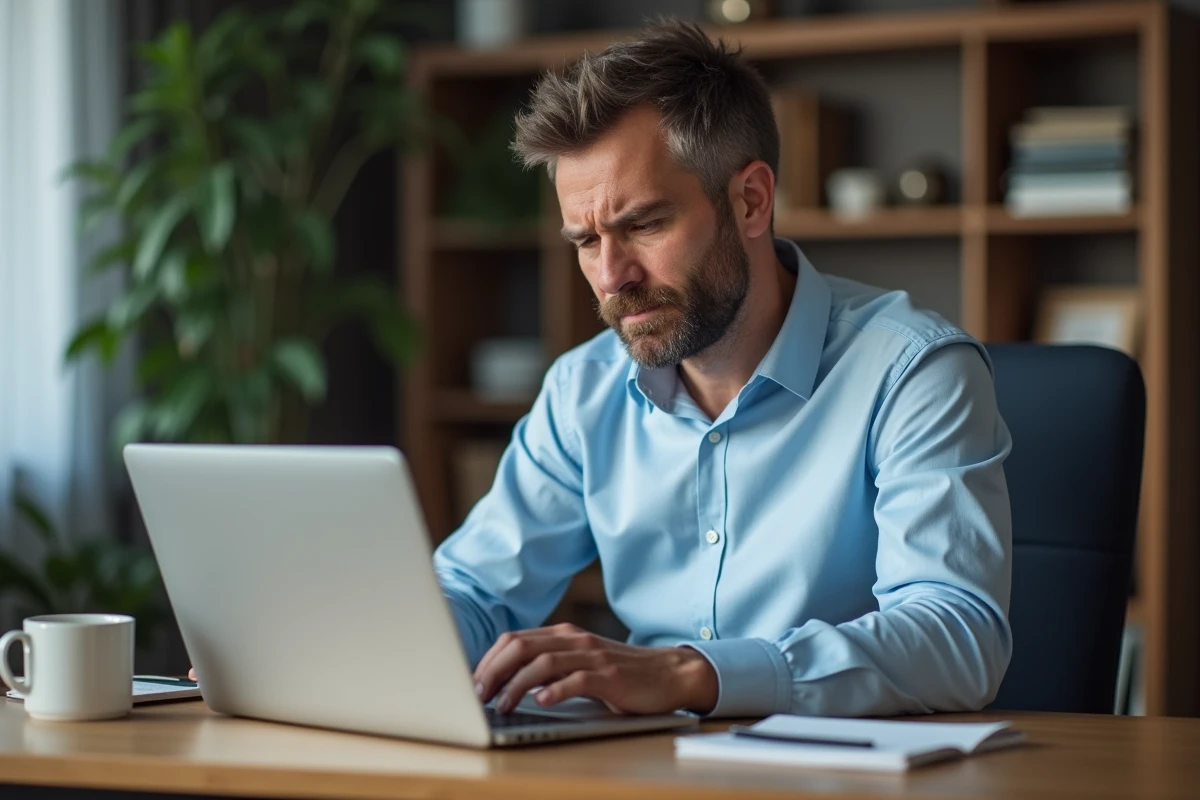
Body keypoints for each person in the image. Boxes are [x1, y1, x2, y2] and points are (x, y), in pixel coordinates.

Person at [185, 21, 1012, 717]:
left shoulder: (913, 373)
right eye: (585, 241)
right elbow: (476, 591)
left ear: (751, 200)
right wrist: (339, 650)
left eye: (644, 224)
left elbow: (957, 634)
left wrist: (693, 672)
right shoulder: (584, 390)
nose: (611, 277)